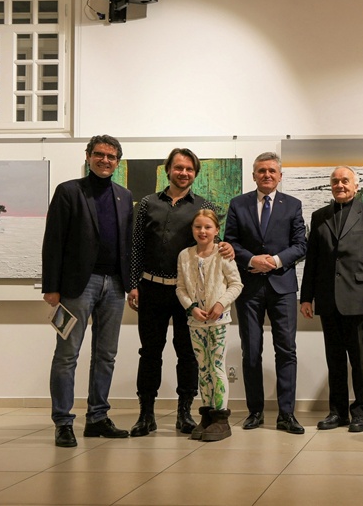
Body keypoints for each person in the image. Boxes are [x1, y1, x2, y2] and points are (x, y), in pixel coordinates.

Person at [127, 148, 234, 437]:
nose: (183, 173)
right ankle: (146, 415)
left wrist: (227, 246)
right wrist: (133, 284)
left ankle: (184, 414)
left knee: (187, 354)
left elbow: (212, 239)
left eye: (189, 169)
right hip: (150, 289)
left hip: (187, 293)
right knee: (149, 353)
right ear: (168, 170)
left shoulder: (202, 205)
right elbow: (137, 245)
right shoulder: (148, 203)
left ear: (195, 173)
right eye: (178, 168)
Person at [42, 135, 133, 447]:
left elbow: (127, 245)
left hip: (115, 286)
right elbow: (53, 241)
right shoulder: (69, 191)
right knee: (67, 355)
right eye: (99, 154)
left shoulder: (124, 196)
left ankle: (97, 417)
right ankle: (63, 422)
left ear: (117, 161)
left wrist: (131, 284)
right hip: (78, 286)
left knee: (106, 355)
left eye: (111, 156)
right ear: (88, 156)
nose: (105, 160)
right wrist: (51, 287)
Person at [300, 166, 363, 433]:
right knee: (335, 359)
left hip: (359, 298)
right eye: (335, 181)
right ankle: (337, 412)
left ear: (356, 185)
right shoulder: (319, 216)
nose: (340, 185)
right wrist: (306, 298)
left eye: (345, 180)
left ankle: (362, 411)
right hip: (327, 298)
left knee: (360, 360)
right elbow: (312, 260)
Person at [224, 152, 307, 434]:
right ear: (254, 175)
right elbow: (230, 242)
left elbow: (300, 245)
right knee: (251, 351)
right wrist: (251, 260)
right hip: (249, 288)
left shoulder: (293, 205)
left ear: (280, 176)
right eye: (261, 171)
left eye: (272, 171)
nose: (267, 175)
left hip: (282, 287)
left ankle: (286, 414)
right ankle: (255, 412)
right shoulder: (238, 204)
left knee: (286, 350)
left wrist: (275, 260)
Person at [176, 209, 243, 441]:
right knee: (202, 368)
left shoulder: (222, 253)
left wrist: (220, 304)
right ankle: (206, 414)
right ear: (192, 230)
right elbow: (180, 287)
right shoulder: (184, 255)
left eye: (207, 227)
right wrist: (191, 307)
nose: (202, 231)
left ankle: (221, 417)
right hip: (196, 321)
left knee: (216, 366)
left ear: (216, 230)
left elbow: (236, 284)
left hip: (218, 321)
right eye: (198, 227)